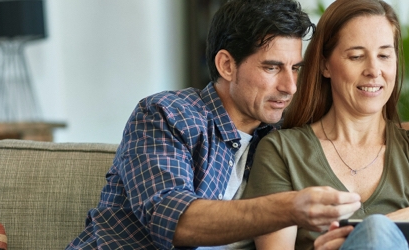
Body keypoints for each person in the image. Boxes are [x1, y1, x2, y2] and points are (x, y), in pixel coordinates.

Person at [67, 1, 365, 249]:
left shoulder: (281, 136)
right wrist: (288, 209)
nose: (290, 87)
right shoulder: (166, 115)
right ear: (226, 65)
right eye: (271, 67)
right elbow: (174, 220)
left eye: (295, 69)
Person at [241, 1, 409, 249]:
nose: (374, 70)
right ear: (325, 65)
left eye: (384, 55)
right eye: (357, 56)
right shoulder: (282, 152)